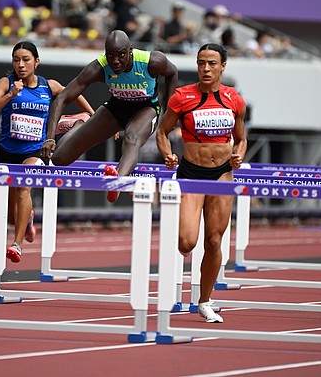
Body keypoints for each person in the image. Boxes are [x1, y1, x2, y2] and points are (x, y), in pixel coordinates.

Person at [156, 43, 247, 323]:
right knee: (186, 243)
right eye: (201, 63)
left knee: (214, 240)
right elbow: (162, 131)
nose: (206, 69)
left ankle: (205, 301)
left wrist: (238, 156)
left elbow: (241, 138)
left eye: (211, 63)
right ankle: (178, 284)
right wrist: (168, 155)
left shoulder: (234, 99)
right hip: (191, 173)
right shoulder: (182, 97)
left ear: (222, 66)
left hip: (222, 174)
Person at [0, 41, 94, 263]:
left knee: (24, 186)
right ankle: (28, 220)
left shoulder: (48, 86)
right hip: (7, 150)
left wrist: (93, 113)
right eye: (16, 60)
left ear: (36, 62)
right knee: (13, 216)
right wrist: (10, 96)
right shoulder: (6, 83)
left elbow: (72, 92)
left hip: (36, 150)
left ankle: (17, 244)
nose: (20, 65)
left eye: (25, 60)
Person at [41, 30, 179, 203]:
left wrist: (169, 114)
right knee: (59, 159)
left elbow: (172, 72)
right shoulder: (99, 67)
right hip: (116, 106)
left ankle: (117, 183)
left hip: (146, 108)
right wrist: (49, 138)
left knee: (131, 138)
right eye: (110, 56)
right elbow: (62, 97)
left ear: (130, 50)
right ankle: (79, 125)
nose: (115, 61)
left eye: (121, 55)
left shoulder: (151, 61)